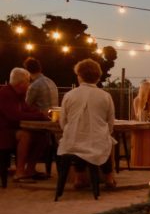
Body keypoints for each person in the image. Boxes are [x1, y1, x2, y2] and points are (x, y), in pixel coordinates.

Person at [57, 59, 117, 189]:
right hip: (97, 142)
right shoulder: (105, 96)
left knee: (78, 139)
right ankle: (109, 177)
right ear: (98, 77)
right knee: (107, 141)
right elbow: (110, 123)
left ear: (79, 76)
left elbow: (63, 122)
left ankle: (79, 177)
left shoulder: (69, 95)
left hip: (72, 143)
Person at [0, 67, 50, 182]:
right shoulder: (5, 94)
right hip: (3, 131)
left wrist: (42, 114)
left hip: (12, 129)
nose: (29, 84)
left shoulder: (19, 94)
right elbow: (15, 115)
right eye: (28, 81)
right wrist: (39, 116)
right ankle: (19, 172)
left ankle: (30, 169)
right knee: (25, 135)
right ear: (21, 83)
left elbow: (27, 109)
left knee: (42, 136)